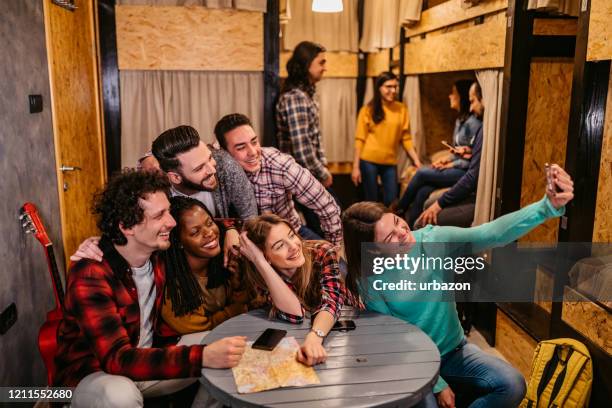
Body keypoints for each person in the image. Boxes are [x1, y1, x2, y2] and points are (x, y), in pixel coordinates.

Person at [341, 164, 574, 408]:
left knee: (513, 385)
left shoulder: (431, 240)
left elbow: (491, 234)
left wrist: (547, 207)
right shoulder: (367, 279)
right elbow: (393, 340)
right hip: (411, 361)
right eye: (390, 237)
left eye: (398, 221)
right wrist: (439, 384)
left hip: (453, 350)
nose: (403, 232)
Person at [54, 170, 247, 407]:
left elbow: (207, 224)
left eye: (168, 211)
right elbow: (117, 359)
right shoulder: (91, 274)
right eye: (160, 216)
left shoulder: (157, 252)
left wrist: (232, 232)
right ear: (127, 226)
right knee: (119, 396)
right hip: (93, 376)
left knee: (230, 348)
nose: (172, 222)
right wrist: (203, 356)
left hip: (144, 361)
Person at [238, 214, 362, 366]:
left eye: (292, 236)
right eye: (279, 246)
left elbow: (331, 302)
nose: (293, 246)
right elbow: (295, 315)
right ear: (266, 257)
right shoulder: (261, 273)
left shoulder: (322, 252)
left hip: (351, 327)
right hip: (302, 332)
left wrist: (315, 337)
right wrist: (260, 261)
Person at [214, 113, 343, 245]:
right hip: (247, 242)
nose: (252, 152)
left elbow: (327, 206)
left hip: (292, 233)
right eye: (241, 147)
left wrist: (335, 248)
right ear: (225, 152)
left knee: (339, 265)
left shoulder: (280, 166)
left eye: (254, 142)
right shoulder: (216, 168)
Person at [152, 125, 258, 264]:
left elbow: (251, 220)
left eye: (209, 158)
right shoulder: (159, 192)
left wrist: (232, 230)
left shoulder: (224, 164)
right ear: (175, 177)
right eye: (199, 168)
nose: (212, 169)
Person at [161, 196, 265, 335]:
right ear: (178, 241)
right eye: (195, 232)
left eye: (209, 223)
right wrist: (239, 309)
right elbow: (198, 328)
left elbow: (249, 299)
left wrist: (238, 286)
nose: (209, 233)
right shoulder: (174, 286)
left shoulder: (226, 256)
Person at [394, 81, 483, 226]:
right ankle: (411, 230)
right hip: (457, 166)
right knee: (423, 191)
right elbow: (466, 151)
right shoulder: (460, 120)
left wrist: (452, 164)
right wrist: (447, 160)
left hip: (463, 170)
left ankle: (399, 209)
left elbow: (473, 160)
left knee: (421, 173)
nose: (449, 96)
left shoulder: (474, 124)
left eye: (453, 93)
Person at [352, 71, 422, 206]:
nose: (393, 90)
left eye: (395, 87)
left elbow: (406, 138)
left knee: (392, 200)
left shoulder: (401, 109)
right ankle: (372, 227)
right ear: (379, 88)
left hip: (390, 162)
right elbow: (359, 139)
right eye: (388, 87)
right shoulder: (367, 110)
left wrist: (417, 161)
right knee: (371, 201)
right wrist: (356, 167)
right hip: (368, 161)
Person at [276, 41, 331, 188]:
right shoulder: (296, 97)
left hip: (307, 175)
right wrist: (323, 174)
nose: (325, 68)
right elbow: (302, 149)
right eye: (321, 63)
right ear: (307, 64)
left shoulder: (306, 94)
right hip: (301, 178)